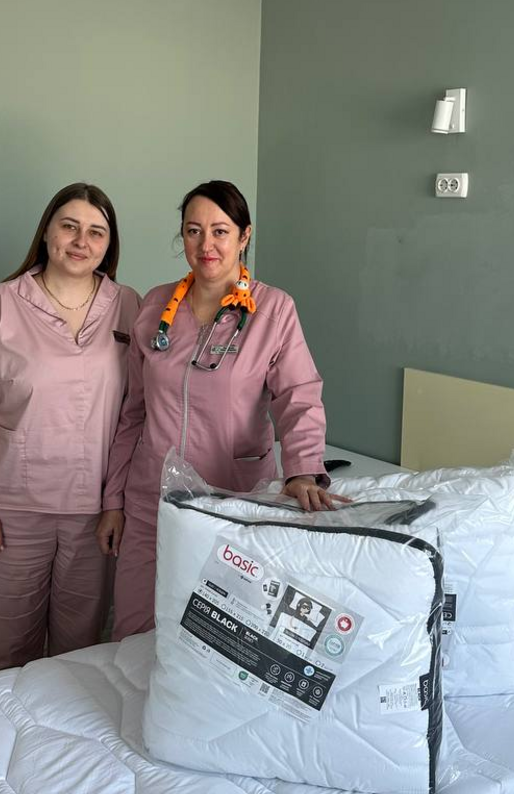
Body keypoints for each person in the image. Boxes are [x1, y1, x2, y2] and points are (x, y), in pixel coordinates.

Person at [96, 180, 343, 641]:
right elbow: (132, 414)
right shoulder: (155, 306)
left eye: (220, 231)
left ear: (244, 236)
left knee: (219, 636)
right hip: (153, 498)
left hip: (233, 499)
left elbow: (299, 396)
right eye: (193, 231)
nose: (206, 244)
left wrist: (303, 470)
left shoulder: (272, 310)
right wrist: (113, 501)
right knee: (135, 628)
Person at [0, 182, 140, 672]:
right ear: (47, 232)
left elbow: (136, 413)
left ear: (109, 244)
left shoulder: (129, 306)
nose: (81, 241)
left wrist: (116, 503)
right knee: (9, 653)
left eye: (97, 232)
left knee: (81, 653)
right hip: (10, 511)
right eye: (69, 226)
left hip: (95, 513)